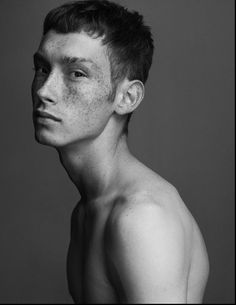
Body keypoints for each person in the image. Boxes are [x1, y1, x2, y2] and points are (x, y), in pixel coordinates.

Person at [31, 0, 209, 303]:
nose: (44, 91)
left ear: (127, 97)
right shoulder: (89, 210)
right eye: (42, 68)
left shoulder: (141, 218)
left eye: (76, 73)